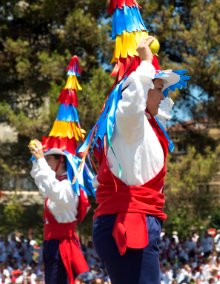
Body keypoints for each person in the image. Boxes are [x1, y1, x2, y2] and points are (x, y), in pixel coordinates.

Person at [92, 36, 187, 283]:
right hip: (128, 221)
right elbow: (132, 103)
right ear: (143, 90)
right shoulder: (130, 124)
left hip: (137, 219)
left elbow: (157, 108)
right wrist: (144, 64)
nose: (163, 95)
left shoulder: (148, 126)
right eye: (158, 89)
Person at [28, 142, 90, 283]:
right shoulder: (58, 183)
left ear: (60, 160)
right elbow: (42, 181)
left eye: (49, 158)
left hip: (62, 245)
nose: (46, 162)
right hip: (52, 243)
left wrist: (40, 160)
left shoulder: (69, 186)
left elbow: (51, 187)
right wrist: (38, 161)